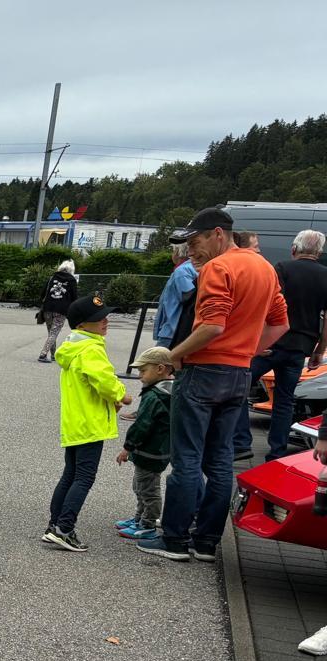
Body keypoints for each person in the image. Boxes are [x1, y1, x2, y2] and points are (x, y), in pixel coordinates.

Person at [138, 207, 289, 563]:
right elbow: (281, 323)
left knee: (187, 458)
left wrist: (173, 356)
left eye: (195, 241)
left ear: (218, 234)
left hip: (203, 372)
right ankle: (206, 542)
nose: (191, 251)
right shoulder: (264, 267)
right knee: (220, 461)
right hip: (238, 375)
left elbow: (212, 326)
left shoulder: (218, 268)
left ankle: (174, 539)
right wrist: (247, 350)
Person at [44, 294, 127, 552]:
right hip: (90, 424)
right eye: (98, 319)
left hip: (75, 422)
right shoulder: (91, 349)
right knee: (84, 477)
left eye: (105, 316)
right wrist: (121, 394)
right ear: (81, 325)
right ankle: (64, 529)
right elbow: (103, 380)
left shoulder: (73, 347)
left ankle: (54, 525)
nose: (105, 321)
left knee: (70, 474)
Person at [239, 229, 327, 455]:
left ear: (294, 249)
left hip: (271, 344)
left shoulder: (282, 268)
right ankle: (276, 451)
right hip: (300, 348)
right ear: (319, 252)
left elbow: (268, 304)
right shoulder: (325, 275)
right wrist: (319, 350)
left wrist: (260, 339)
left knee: (238, 388)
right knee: (285, 400)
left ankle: (241, 441)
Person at [113, 347, 175, 540]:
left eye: (143, 371)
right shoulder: (170, 390)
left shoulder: (154, 395)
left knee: (147, 489)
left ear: (160, 369)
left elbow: (142, 424)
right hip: (159, 450)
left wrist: (127, 447)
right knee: (142, 485)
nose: (140, 376)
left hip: (150, 451)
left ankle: (147, 524)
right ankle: (140, 518)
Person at [154, 243, 197, 349]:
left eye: (173, 251)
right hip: (181, 331)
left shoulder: (182, 271)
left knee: (156, 363)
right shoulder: (196, 268)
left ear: (179, 252)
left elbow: (190, 299)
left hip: (172, 332)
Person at [37, 259, 78, 362]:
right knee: (54, 332)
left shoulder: (52, 278)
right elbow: (74, 297)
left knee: (51, 332)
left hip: (47, 308)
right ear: (72, 269)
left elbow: (42, 293)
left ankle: (53, 355)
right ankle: (43, 354)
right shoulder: (72, 280)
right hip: (61, 310)